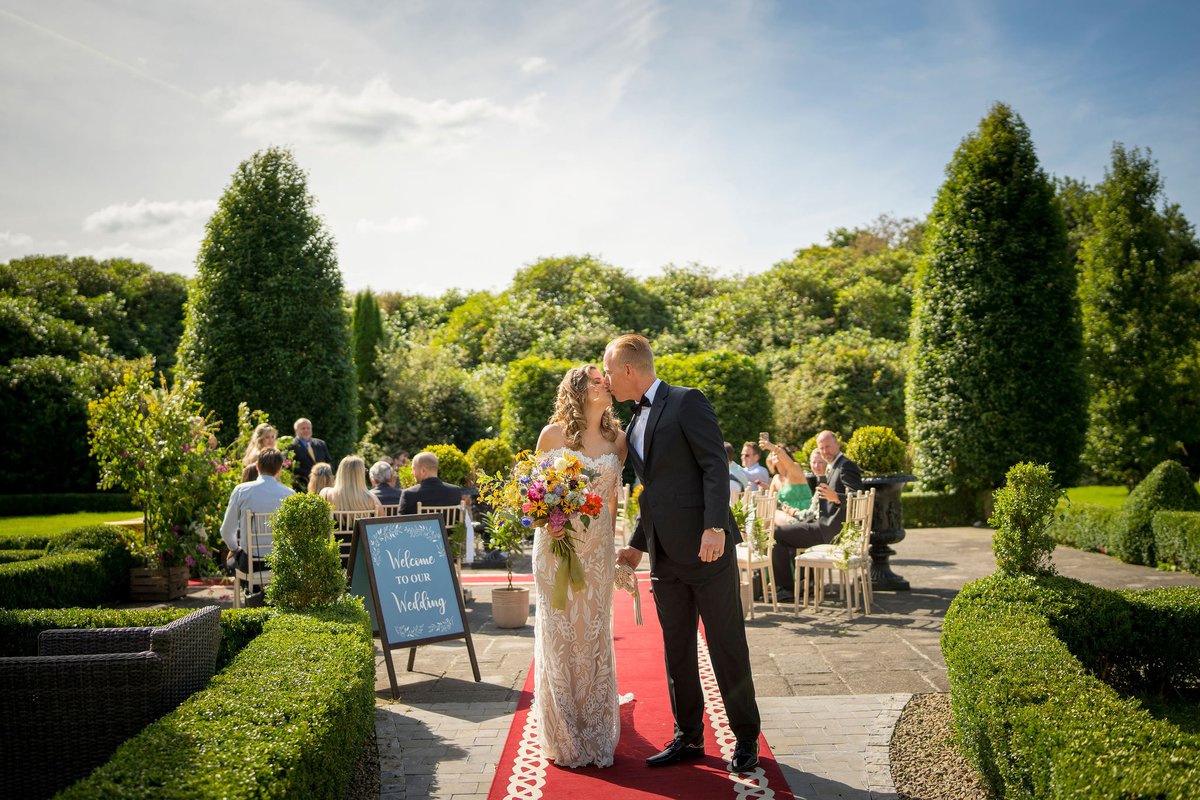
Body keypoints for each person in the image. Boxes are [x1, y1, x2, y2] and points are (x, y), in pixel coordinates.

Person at [604, 334, 761, 774]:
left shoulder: (688, 401)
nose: (608, 380)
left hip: (707, 550)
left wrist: (715, 526)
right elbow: (653, 493)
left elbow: (715, 465)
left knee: (726, 644)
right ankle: (688, 736)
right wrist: (637, 546)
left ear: (629, 370)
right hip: (664, 556)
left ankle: (745, 737)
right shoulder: (632, 421)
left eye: (610, 371)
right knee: (676, 649)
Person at [530, 364, 627, 768]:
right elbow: (533, 495)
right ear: (577, 389)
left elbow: (613, 501)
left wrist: (620, 546)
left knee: (591, 632)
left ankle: (595, 724)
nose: (604, 381)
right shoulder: (552, 436)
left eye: (604, 376)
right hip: (556, 547)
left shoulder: (618, 440)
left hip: (598, 549)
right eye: (595, 378)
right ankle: (563, 727)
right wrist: (546, 521)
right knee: (559, 631)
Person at [770, 430, 863, 603]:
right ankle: (806, 584)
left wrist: (837, 498)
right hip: (825, 527)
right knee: (787, 533)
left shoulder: (845, 465)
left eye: (828, 446)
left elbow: (858, 497)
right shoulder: (834, 466)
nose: (825, 451)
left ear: (838, 445)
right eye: (821, 448)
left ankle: (787, 589)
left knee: (776, 534)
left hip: (830, 531)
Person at [220, 448, 294, 601]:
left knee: (231, 558)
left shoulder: (242, 490)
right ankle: (268, 598)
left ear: (258, 466)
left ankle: (253, 596)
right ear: (279, 469)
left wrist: (235, 549)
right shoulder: (290, 494)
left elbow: (226, 531)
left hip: (251, 562)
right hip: (280, 562)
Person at [759, 436, 813, 514]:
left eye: (781, 453)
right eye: (773, 454)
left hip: (803, 514)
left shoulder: (795, 469)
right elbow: (770, 502)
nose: (776, 454)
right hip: (785, 515)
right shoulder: (776, 478)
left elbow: (789, 463)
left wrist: (772, 447)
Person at [399, 452, 464, 514]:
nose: (412, 473)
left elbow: (401, 523)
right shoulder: (455, 491)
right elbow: (458, 521)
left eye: (413, 469)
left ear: (423, 471)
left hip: (421, 526)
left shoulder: (409, 494)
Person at [289, 418, 332, 491]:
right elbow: (290, 467)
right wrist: (312, 474)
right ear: (296, 431)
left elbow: (329, 461)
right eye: (303, 428)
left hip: (323, 486)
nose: (306, 430)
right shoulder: (290, 446)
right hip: (302, 487)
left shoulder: (321, 444)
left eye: (308, 428)